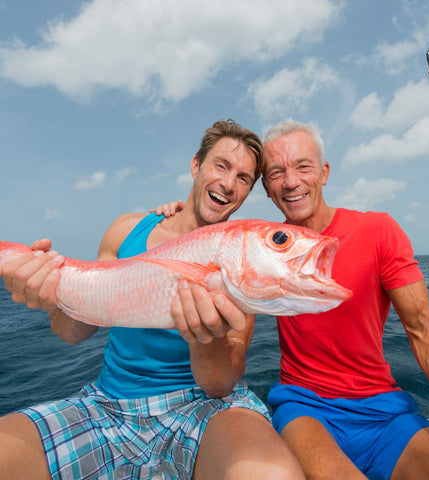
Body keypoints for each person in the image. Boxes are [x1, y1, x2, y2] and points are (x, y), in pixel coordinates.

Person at [154, 120, 429, 479]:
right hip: (304, 409)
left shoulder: (378, 230)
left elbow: (425, 330)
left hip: (384, 411)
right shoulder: (260, 248)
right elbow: (217, 256)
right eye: (276, 172)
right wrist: (176, 218)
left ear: (324, 173)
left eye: (303, 166)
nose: (290, 181)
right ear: (266, 187)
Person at [0, 119, 305, 480]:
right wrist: (50, 297)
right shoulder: (127, 229)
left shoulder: (242, 267)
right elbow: (74, 331)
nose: (228, 183)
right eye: (221, 166)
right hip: (107, 405)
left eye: (243, 178)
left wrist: (205, 336)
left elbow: (219, 384)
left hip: (204, 408)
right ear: (196, 165)